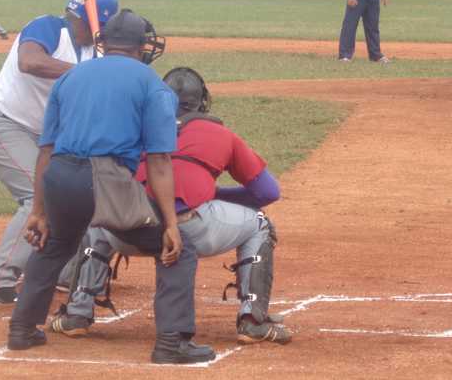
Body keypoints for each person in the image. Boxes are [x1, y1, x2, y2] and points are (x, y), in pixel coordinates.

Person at [7, 10, 215, 365]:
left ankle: (21, 330)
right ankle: (171, 343)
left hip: (58, 175)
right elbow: (160, 162)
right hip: (105, 179)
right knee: (179, 250)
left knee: (54, 242)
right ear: (140, 46)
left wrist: (39, 211)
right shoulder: (152, 85)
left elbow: (46, 150)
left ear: (104, 43)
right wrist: (170, 224)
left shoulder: (70, 78)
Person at [50, 66, 292, 346]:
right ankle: (253, 320)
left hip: (130, 229)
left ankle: (76, 314)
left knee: (100, 219)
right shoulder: (220, 134)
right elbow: (267, 191)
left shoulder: (133, 127)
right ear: (203, 101)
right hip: (190, 228)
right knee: (260, 224)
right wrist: (213, 194)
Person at [0, 0, 119, 305]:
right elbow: (30, 61)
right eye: (99, 26)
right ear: (82, 17)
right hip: (3, 123)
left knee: (75, 191)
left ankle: (67, 272)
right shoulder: (49, 27)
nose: (100, 33)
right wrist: (85, 73)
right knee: (37, 196)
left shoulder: (97, 52)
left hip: (47, 140)